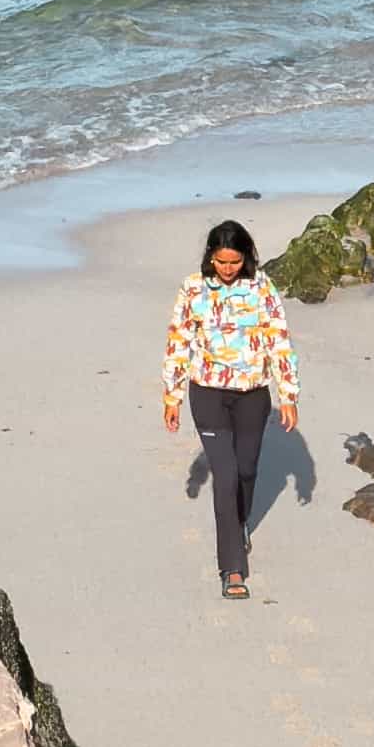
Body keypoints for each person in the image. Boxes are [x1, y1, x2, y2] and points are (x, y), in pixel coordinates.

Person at [160, 217, 300, 594]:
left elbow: (279, 341)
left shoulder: (262, 287)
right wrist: (172, 395)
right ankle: (232, 568)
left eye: (234, 262)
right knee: (225, 475)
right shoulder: (193, 288)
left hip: (253, 395)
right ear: (210, 256)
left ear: (246, 257)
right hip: (207, 393)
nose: (227, 269)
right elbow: (178, 342)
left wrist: (288, 394)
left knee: (246, 471)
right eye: (221, 262)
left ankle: (240, 522)